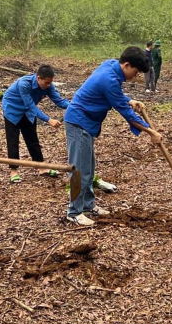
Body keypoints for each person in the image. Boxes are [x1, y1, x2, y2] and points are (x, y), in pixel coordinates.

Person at [64, 47, 163, 226]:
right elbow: (126, 113)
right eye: (135, 72)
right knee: (80, 170)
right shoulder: (109, 79)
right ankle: (74, 212)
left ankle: (88, 205)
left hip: (86, 123)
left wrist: (129, 99)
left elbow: (115, 93)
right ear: (126, 65)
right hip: (78, 123)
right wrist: (151, 132)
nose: (135, 77)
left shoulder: (111, 64)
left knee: (89, 168)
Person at [1, 64, 69, 183]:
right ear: (38, 78)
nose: (48, 85)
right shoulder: (24, 84)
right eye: (46, 83)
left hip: (27, 112)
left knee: (32, 138)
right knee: (13, 140)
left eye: (50, 83)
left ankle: (41, 168)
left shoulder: (48, 86)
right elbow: (31, 106)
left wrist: (76, 106)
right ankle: (14, 171)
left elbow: (59, 101)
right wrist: (49, 120)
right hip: (12, 109)